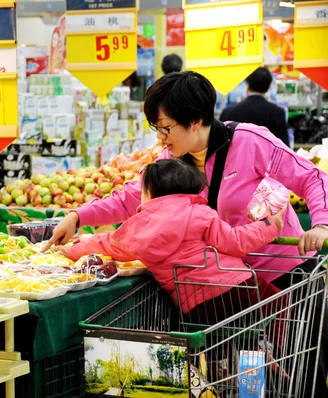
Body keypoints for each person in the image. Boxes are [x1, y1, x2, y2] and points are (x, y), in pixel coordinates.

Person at [43, 71, 328, 398]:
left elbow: (311, 178)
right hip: (226, 288)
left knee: (302, 375)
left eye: (165, 127)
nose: (161, 138)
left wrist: (320, 224)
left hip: (284, 276)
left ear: (195, 120)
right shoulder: (170, 160)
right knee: (245, 382)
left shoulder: (250, 141)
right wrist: (78, 215)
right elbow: (130, 197)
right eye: (156, 129)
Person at [65, 159, 286, 333]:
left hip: (195, 307)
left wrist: (71, 250)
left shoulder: (137, 228)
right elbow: (236, 242)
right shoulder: (200, 213)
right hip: (238, 287)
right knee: (282, 305)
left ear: (150, 193)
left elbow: (107, 243)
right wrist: (268, 225)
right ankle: (274, 351)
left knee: (215, 346)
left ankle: (218, 374)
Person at [220, 67, 289, 146]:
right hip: (266, 158)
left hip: (236, 157)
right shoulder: (277, 113)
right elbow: (284, 146)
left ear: (247, 86)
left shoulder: (229, 112)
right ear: (268, 88)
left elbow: (220, 144)